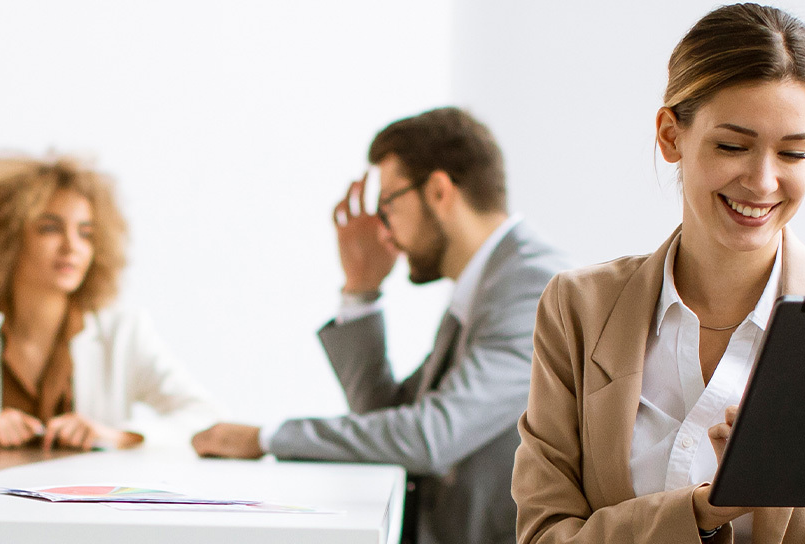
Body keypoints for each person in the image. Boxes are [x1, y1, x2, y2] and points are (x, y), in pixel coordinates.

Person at [511, 4, 805, 544]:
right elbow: (543, 533)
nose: (762, 182)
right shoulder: (580, 309)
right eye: (732, 146)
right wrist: (704, 510)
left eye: (793, 152)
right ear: (671, 136)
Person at [192, 107, 570, 544]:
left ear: (439, 192)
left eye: (387, 204)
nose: (384, 233)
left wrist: (267, 438)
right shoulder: (488, 283)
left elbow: (430, 437)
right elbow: (387, 418)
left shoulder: (532, 286)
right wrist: (361, 289)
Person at [0, 153, 225, 450]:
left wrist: (119, 437)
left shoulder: (122, 332)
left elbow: (206, 418)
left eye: (86, 233)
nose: (72, 247)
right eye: (50, 228)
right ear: (5, 239)